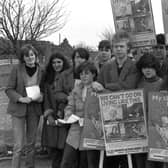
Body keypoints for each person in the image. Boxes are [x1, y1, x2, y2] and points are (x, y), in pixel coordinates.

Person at [97, 31, 139, 168]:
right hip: (110, 113)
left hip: (129, 112)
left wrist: (106, 88)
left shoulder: (134, 66)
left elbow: (128, 86)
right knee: (111, 153)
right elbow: (99, 85)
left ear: (128, 48)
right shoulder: (107, 66)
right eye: (116, 47)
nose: (118, 49)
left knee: (128, 156)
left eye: (121, 46)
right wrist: (99, 87)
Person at [5, 44, 44, 168]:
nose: (30, 57)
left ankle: (29, 166)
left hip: (34, 110)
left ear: (35, 56)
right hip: (18, 110)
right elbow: (9, 89)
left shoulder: (42, 71)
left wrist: (41, 97)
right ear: (23, 58)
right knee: (18, 146)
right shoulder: (16, 69)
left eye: (32, 55)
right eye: (26, 56)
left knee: (31, 143)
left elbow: (45, 89)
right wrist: (20, 98)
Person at [60, 61, 104, 168]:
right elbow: (70, 107)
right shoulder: (76, 89)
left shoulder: (98, 89)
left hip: (92, 131)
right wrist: (68, 116)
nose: (83, 76)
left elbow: (103, 110)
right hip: (75, 129)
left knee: (90, 163)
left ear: (93, 74)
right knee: (66, 162)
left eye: (87, 73)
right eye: (81, 74)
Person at [55, 47, 90, 168]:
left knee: (85, 159)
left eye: (82, 57)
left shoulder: (97, 87)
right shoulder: (74, 86)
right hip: (74, 123)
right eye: (77, 57)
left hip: (89, 127)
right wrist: (68, 115)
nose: (79, 60)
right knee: (67, 158)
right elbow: (67, 102)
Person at [134, 53, 163, 168]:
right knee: (140, 161)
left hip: (157, 129)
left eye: (150, 67)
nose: (147, 70)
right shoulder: (138, 84)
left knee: (154, 162)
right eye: (145, 67)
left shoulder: (163, 84)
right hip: (140, 129)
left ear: (156, 67)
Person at [41, 52, 70, 168]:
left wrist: (62, 111)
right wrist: (48, 115)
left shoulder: (69, 77)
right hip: (51, 116)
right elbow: (46, 99)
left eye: (59, 62)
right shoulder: (47, 78)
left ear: (64, 63)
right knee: (53, 150)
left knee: (65, 149)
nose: (56, 65)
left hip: (65, 115)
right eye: (53, 62)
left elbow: (70, 97)